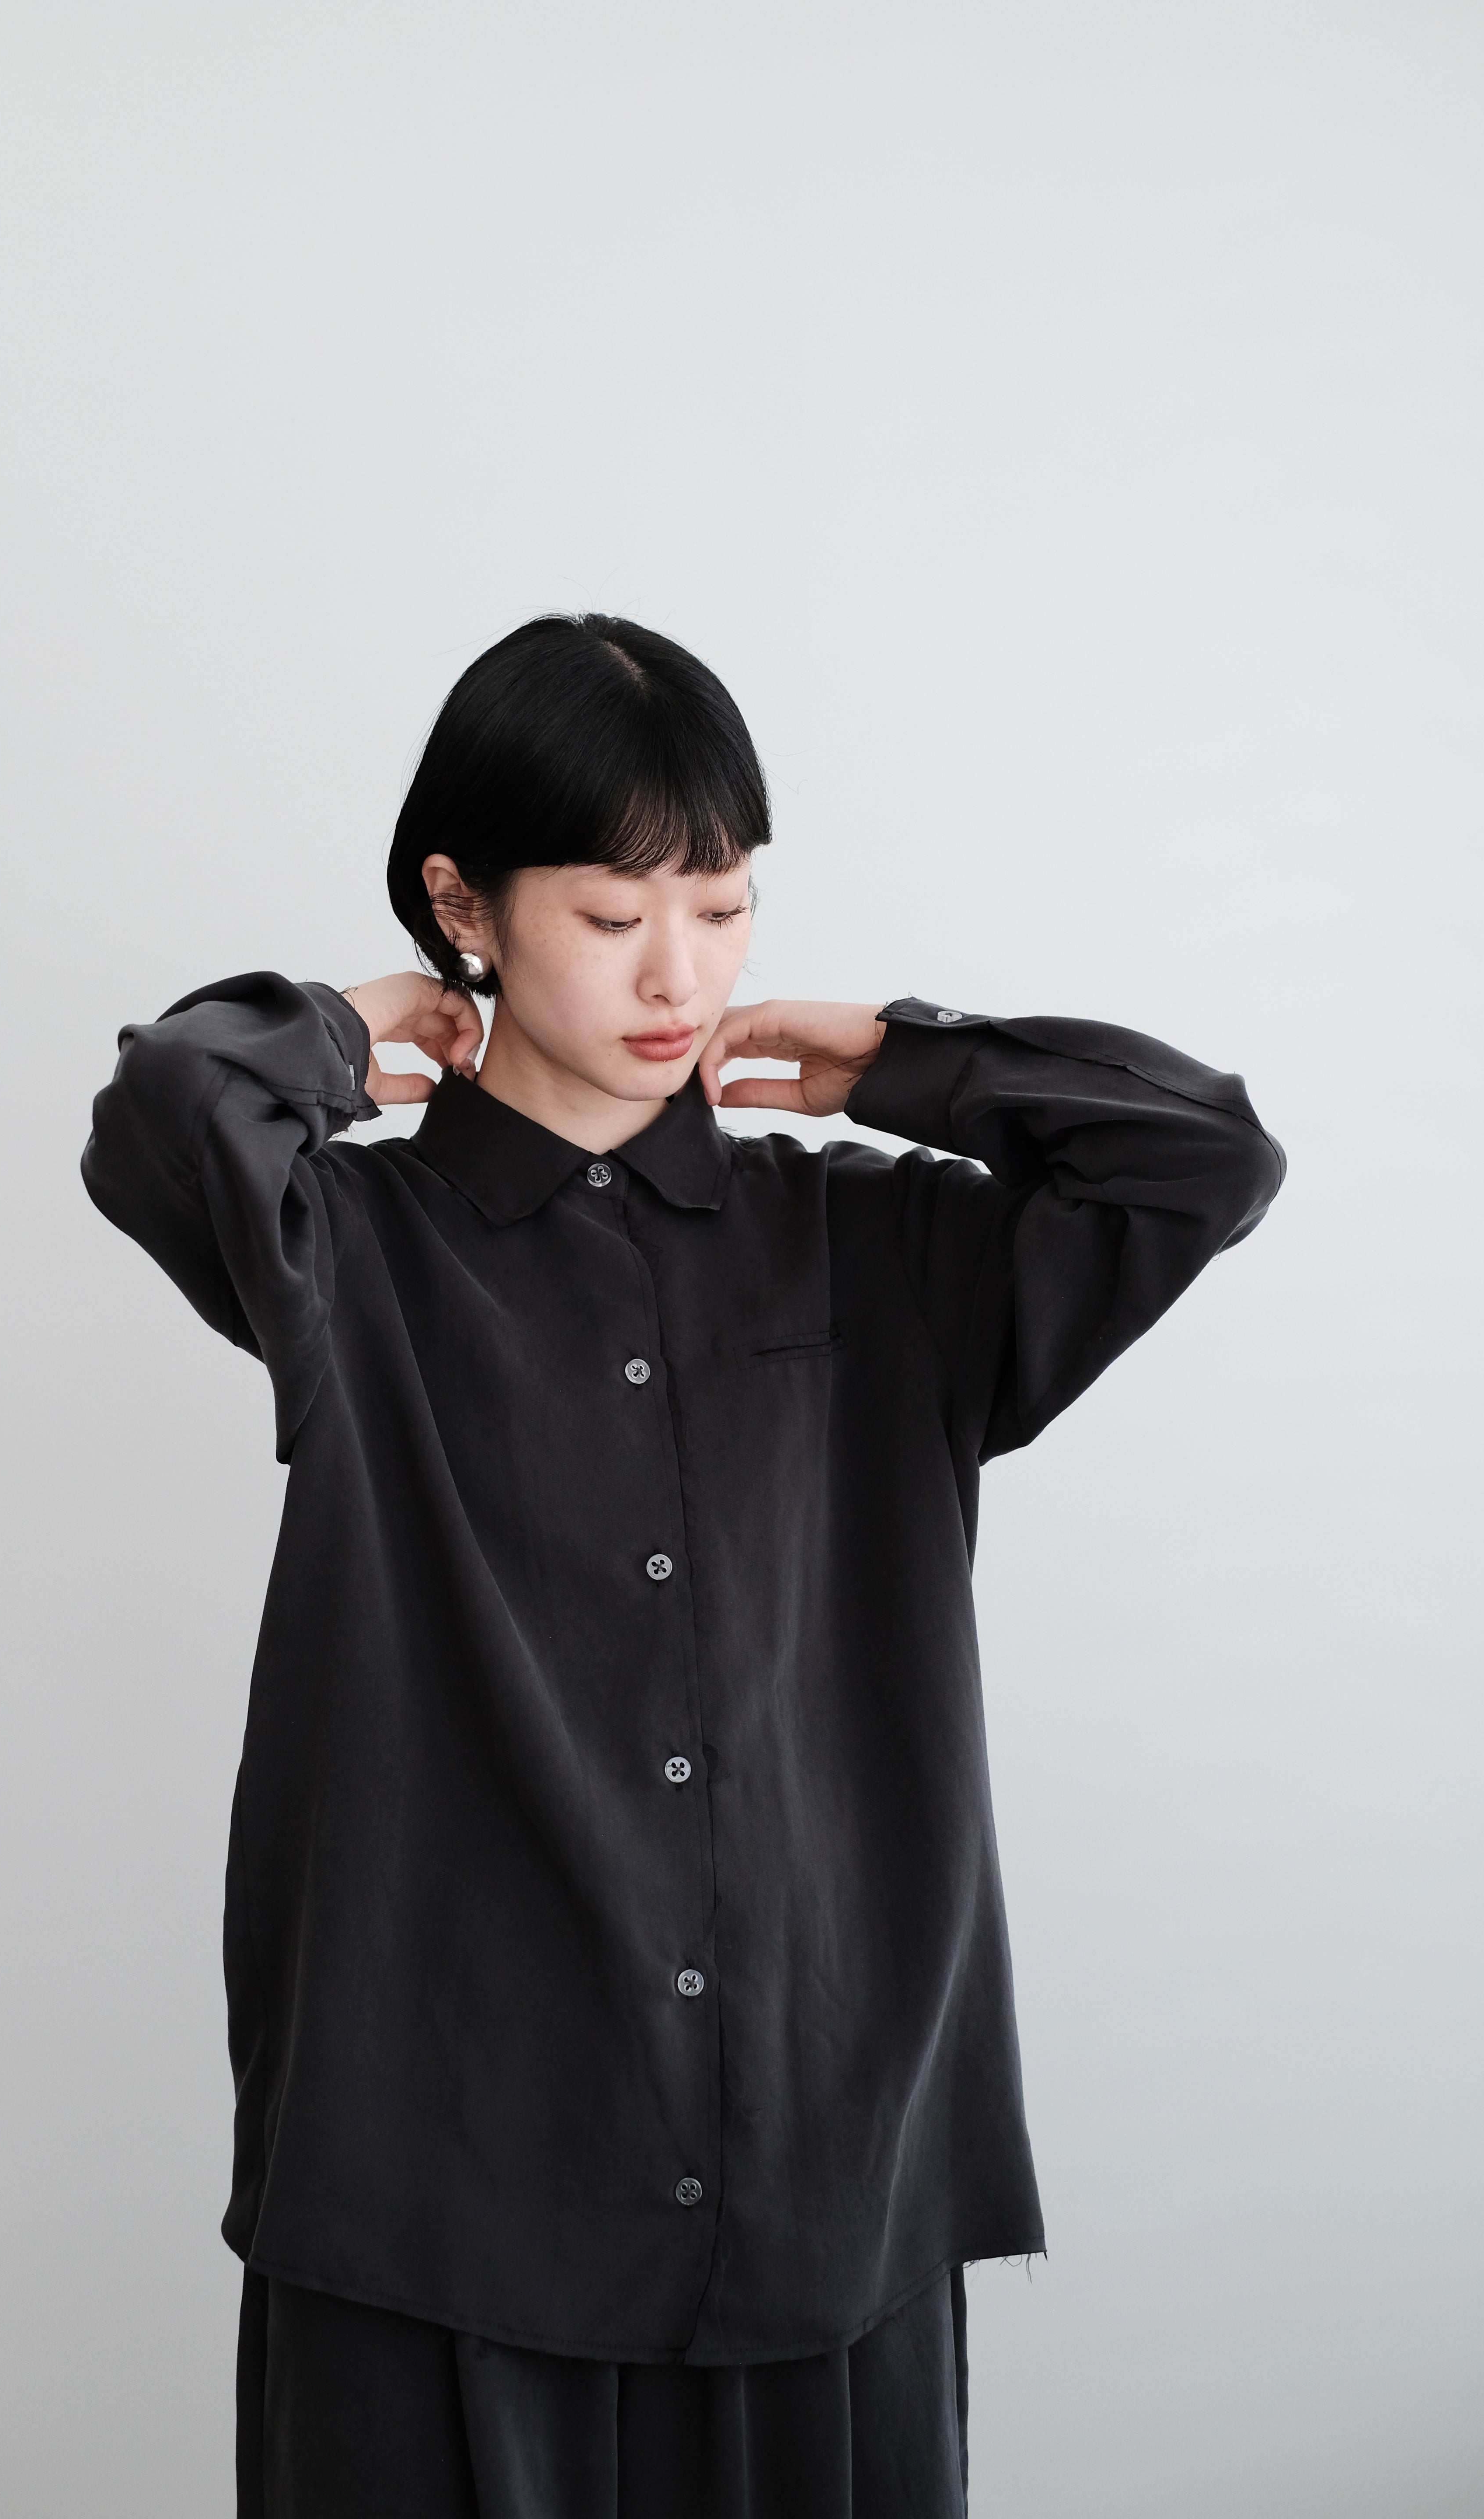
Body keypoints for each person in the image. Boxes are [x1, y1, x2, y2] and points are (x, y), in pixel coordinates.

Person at [81, 614, 1284, 2518]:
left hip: (823, 2181)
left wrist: (915, 1064)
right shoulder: (353, 1250)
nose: (680, 974)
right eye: (611, 912)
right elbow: (164, 1117)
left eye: (721, 909)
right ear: (464, 904)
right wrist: (343, 1025)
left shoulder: (880, 1245)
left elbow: (1200, 1161)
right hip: (440, 2189)